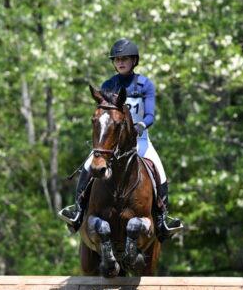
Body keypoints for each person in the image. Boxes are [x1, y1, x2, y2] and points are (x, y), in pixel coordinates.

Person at [58, 39, 183, 240]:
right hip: (112, 143)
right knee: (89, 166)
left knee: (159, 170)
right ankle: (78, 211)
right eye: (117, 59)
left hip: (139, 141)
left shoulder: (145, 84)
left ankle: (162, 220)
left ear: (134, 61)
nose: (120, 62)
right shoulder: (109, 84)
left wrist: (140, 125)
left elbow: (150, 114)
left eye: (124, 59)